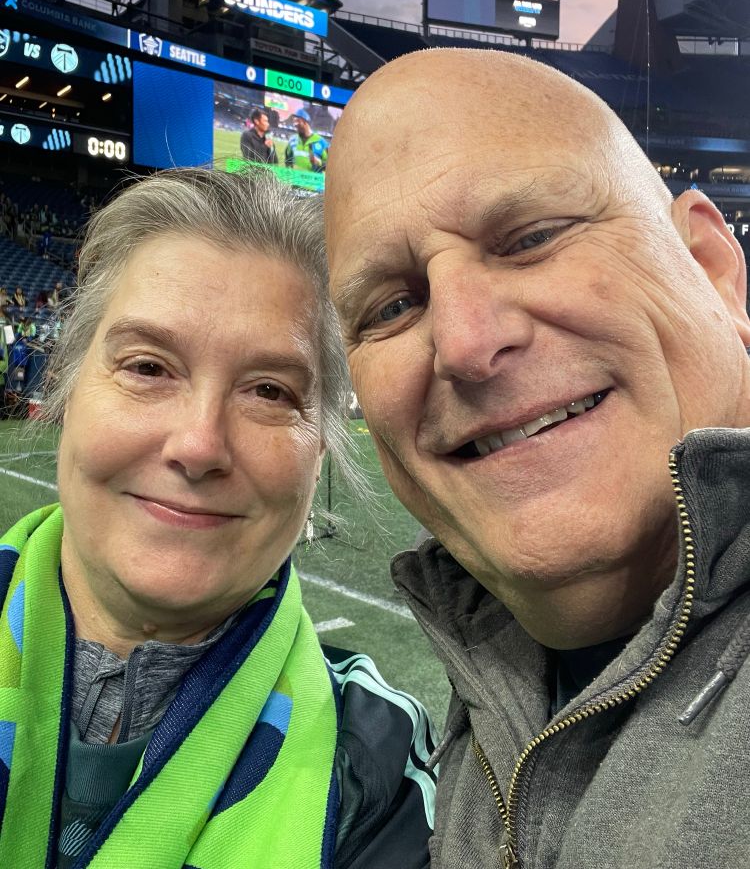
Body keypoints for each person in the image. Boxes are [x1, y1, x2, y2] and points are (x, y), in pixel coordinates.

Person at [324, 48, 750, 868]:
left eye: (531, 238)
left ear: (711, 268)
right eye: (393, 306)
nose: (465, 341)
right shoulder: (497, 673)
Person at [0, 168, 436, 868]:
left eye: (269, 390)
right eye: (148, 368)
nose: (199, 444)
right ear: (65, 387)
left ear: (321, 449)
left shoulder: (378, 772)